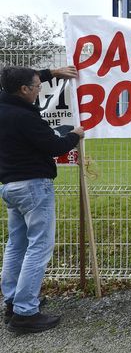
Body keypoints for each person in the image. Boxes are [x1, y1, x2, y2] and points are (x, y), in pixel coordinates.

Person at [0, 66, 84, 334]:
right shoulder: (25, 118)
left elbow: (17, 77)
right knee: (39, 247)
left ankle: (13, 302)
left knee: (16, 245)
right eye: (37, 87)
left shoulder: (4, 107)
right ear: (24, 90)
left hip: (10, 186)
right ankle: (25, 311)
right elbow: (55, 146)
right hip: (34, 186)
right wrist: (75, 135)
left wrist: (50, 72)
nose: (39, 90)